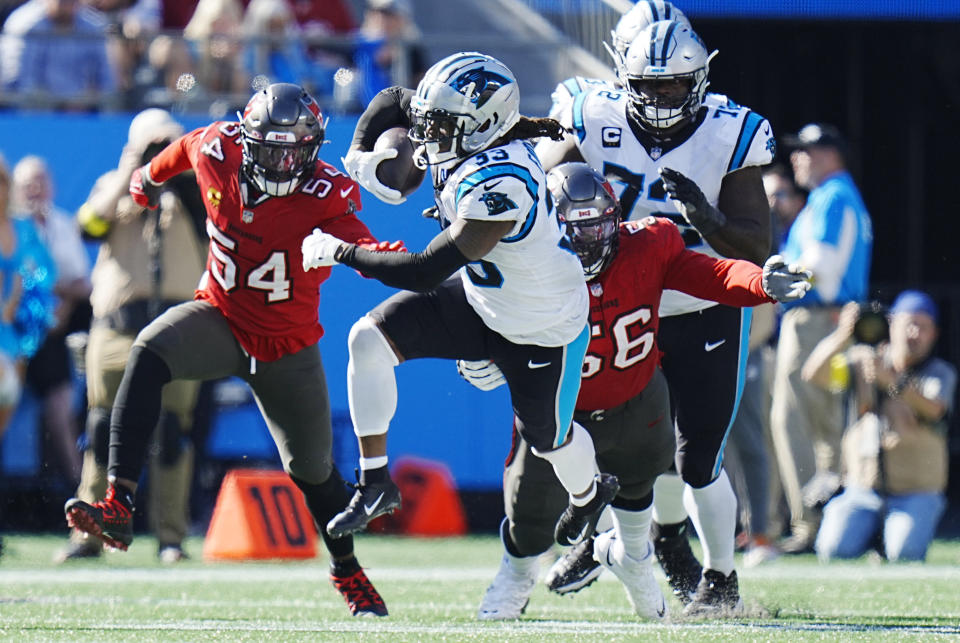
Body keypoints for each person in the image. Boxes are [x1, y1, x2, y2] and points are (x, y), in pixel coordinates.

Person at [63, 83, 396, 616]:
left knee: (314, 471)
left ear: (312, 149)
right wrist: (147, 179)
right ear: (247, 141)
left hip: (288, 345)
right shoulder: (218, 149)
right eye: (271, 148)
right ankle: (120, 503)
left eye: (294, 150)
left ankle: (347, 571)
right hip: (221, 316)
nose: (284, 162)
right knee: (148, 350)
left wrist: (386, 255)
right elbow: (183, 148)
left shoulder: (326, 193)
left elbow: (361, 242)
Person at [461, 163, 810, 620]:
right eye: (574, 228)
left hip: (634, 399)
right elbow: (471, 307)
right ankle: (519, 572)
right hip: (561, 410)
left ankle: (633, 560)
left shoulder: (648, 244)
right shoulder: (522, 261)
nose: (587, 239)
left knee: (645, 482)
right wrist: (476, 354)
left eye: (596, 225)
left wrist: (760, 282)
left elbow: (712, 274)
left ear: (615, 218)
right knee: (529, 512)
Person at [304, 52, 617, 556]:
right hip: (483, 297)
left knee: (548, 440)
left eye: (441, 126)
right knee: (367, 339)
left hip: (542, 325)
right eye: (429, 122)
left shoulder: (503, 182)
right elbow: (391, 100)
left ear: (486, 127)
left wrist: (341, 252)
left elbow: (426, 270)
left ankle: (589, 494)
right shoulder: (463, 132)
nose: (427, 136)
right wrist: (361, 153)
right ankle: (375, 482)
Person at [535, 20, 775, 615]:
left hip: (701, 300)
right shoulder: (590, 116)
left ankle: (721, 579)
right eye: (649, 85)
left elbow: (755, 246)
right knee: (614, 438)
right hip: (622, 300)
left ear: (700, 81)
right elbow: (543, 196)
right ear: (622, 78)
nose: (661, 100)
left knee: (698, 457)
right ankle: (624, 539)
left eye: (675, 87)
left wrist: (708, 219)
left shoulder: (730, 131)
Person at [55, 108, 206, 564]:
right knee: (102, 426)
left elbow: (214, 226)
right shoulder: (113, 185)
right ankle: (89, 533)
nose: (159, 153)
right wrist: (132, 168)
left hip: (179, 324)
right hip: (119, 326)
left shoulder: (198, 191)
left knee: (174, 431)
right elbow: (90, 225)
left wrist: (178, 171)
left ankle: (171, 537)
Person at [769, 123, 873, 554]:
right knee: (822, 423)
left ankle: (813, 523)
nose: (797, 160)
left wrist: (775, 279)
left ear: (831, 155)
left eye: (806, 152)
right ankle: (822, 522)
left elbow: (822, 266)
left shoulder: (831, 196)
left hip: (817, 321)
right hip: (825, 321)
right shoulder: (834, 196)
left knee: (802, 422)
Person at [801, 292, 954, 562]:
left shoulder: (939, 372)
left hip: (914, 493)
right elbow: (813, 374)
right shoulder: (862, 362)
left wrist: (893, 383)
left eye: (923, 326)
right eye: (908, 323)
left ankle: (891, 539)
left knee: (904, 553)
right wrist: (843, 335)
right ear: (891, 324)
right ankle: (871, 534)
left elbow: (935, 409)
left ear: (934, 334)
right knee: (832, 550)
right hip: (863, 490)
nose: (913, 333)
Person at [11, 156, 91, 488]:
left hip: (52, 333)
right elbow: (21, 281)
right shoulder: (10, 228)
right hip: (15, 332)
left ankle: (80, 487)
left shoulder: (61, 224)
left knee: (61, 404)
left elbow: (83, 283)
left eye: (41, 181)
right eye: (27, 183)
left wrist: (62, 303)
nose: (35, 190)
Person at [9, 0, 117, 107]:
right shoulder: (28, 25)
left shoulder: (92, 28)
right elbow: (27, 82)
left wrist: (86, 100)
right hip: (42, 109)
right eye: (62, 1)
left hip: (83, 108)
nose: (68, 5)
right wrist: (58, 103)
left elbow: (106, 80)